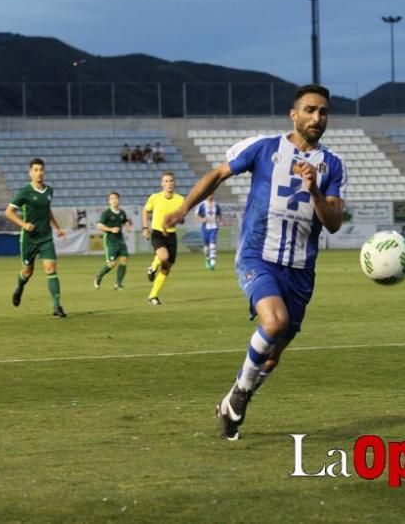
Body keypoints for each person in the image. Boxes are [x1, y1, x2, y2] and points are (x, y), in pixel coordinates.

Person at [164, 84, 346, 441]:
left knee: (273, 356)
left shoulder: (333, 165)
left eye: (323, 112)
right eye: (309, 110)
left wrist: (314, 191)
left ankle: (231, 403)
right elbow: (217, 175)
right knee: (274, 321)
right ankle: (240, 395)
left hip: (300, 271)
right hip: (257, 256)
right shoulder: (264, 148)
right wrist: (184, 208)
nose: (317, 117)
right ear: (293, 115)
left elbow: (334, 222)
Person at [5, 158, 67, 317]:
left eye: (41, 170)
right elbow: (9, 212)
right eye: (36, 170)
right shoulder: (24, 192)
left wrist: (57, 227)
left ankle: (56, 307)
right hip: (29, 239)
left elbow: (47, 211)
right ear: (30, 173)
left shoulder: (49, 191)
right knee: (27, 272)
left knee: (51, 269)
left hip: (46, 237)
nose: (39, 173)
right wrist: (23, 224)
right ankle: (19, 287)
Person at [142, 171, 185, 305]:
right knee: (164, 256)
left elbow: (182, 219)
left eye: (171, 181)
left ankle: (153, 296)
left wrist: (177, 219)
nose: (169, 184)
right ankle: (153, 267)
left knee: (167, 268)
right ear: (162, 184)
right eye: (166, 181)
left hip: (171, 234)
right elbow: (145, 211)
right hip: (158, 233)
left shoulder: (180, 199)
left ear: (174, 183)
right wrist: (145, 228)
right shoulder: (155, 197)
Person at [94, 191, 132, 291]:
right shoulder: (106, 213)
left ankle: (118, 284)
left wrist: (127, 226)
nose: (114, 200)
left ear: (119, 200)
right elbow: (99, 226)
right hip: (110, 241)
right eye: (112, 199)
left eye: (116, 198)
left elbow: (125, 222)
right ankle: (99, 276)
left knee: (124, 260)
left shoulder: (122, 213)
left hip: (120, 240)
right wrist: (111, 229)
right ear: (109, 201)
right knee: (112, 263)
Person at [196, 193, 223, 270]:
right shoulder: (202, 205)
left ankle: (212, 262)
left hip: (214, 227)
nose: (210, 195)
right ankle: (207, 258)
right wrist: (203, 219)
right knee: (206, 246)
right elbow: (196, 215)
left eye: (211, 194)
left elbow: (219, 215)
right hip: (205, 228)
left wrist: (219, 221)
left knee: (212, 244)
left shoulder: (216, 205)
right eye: (209, 194)